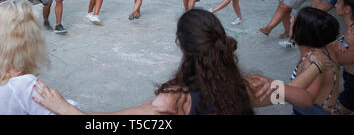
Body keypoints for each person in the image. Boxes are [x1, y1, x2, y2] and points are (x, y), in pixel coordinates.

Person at [33, 9, 260, 115]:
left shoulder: (174, 100)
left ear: (181, 45)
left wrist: (64, 109)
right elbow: (287, 93)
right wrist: (282, 84)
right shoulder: (248, 86)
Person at [253, 7, 342, 115]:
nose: (290, 20)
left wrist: (273, 89)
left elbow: (303, 100)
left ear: (303, 31)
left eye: (294, 20)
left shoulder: (314, 63)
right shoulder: (323, 46)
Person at [332, 0, 354, 114]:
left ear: (347, 9)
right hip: (348, 82)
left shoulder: (352, 34)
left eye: (338, 3)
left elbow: (339, 58)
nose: (335, 5)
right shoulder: (349, 30)